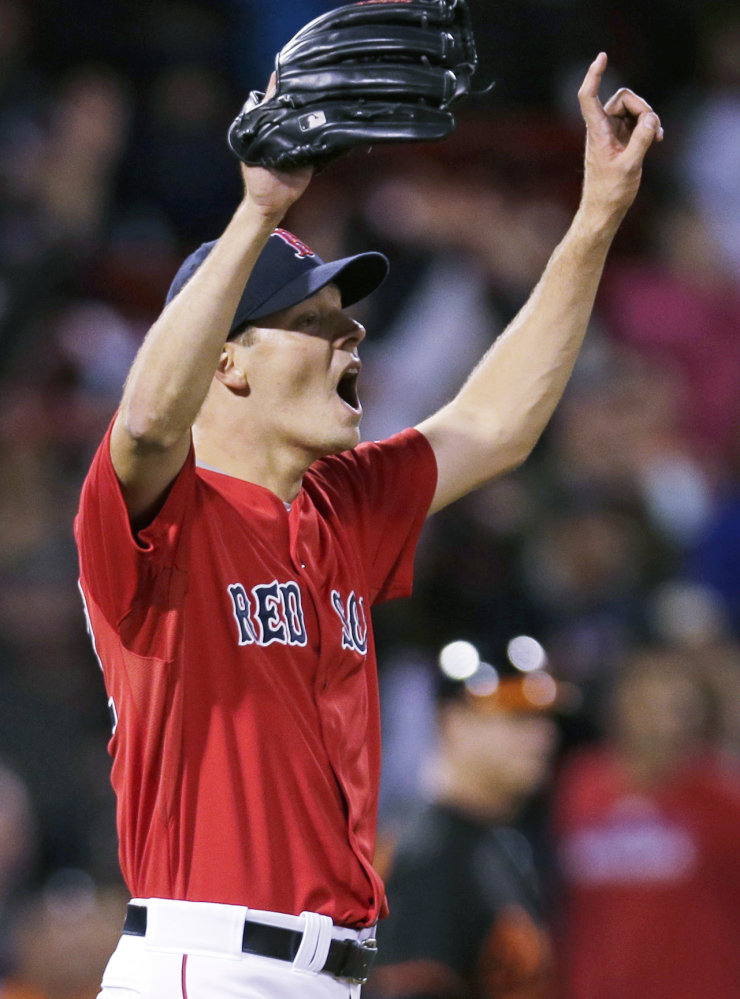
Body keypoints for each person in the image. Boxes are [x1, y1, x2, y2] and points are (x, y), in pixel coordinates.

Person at [74, 55, 662, 999]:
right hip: (208, 966)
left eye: (347, 321)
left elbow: (491, 426)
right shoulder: (160, 515)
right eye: (314, 321)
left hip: (333, 972)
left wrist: (594, 219)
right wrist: (258, 210)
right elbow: (145, 422)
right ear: (226, 364)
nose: (352, 338)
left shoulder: (339, 504)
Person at [554, 647, 740, 999]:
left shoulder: (722, 797)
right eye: (646, 701)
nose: (659, 717)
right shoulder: (580, 783)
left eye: (673, 705)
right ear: (618, 706)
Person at [367, 662, 561, 999]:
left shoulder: (498, 838)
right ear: (453, 723)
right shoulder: (428, 851)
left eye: (544, 718)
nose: (541, 736)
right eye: (517, 718)